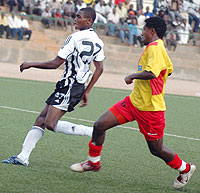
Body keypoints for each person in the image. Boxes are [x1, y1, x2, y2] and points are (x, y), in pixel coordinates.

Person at [70, 16, 196, 190]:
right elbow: (169, 69)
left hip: (151, 110)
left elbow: (151, 73)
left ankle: (185, 168)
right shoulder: (157, 48)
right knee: (99, 125)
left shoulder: (156, 49)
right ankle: (93, 163)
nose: (141, 33)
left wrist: (132, 76)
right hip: (133, 103)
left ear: (152, 31)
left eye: (144, 30)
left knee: (156, 150)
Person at [1, 7, 105, 166]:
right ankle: (23, 157)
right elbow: (99, 68)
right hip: (72, 86)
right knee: (41, 119)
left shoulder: (75, 37)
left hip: (70, 86)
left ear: (89, 21)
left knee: (50, 123)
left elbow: (55, 63)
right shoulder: (98, 41)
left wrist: (31, 64)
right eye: (75, 16)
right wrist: (87, 90)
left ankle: (92, 132)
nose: (75, 19)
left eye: (79, 17)